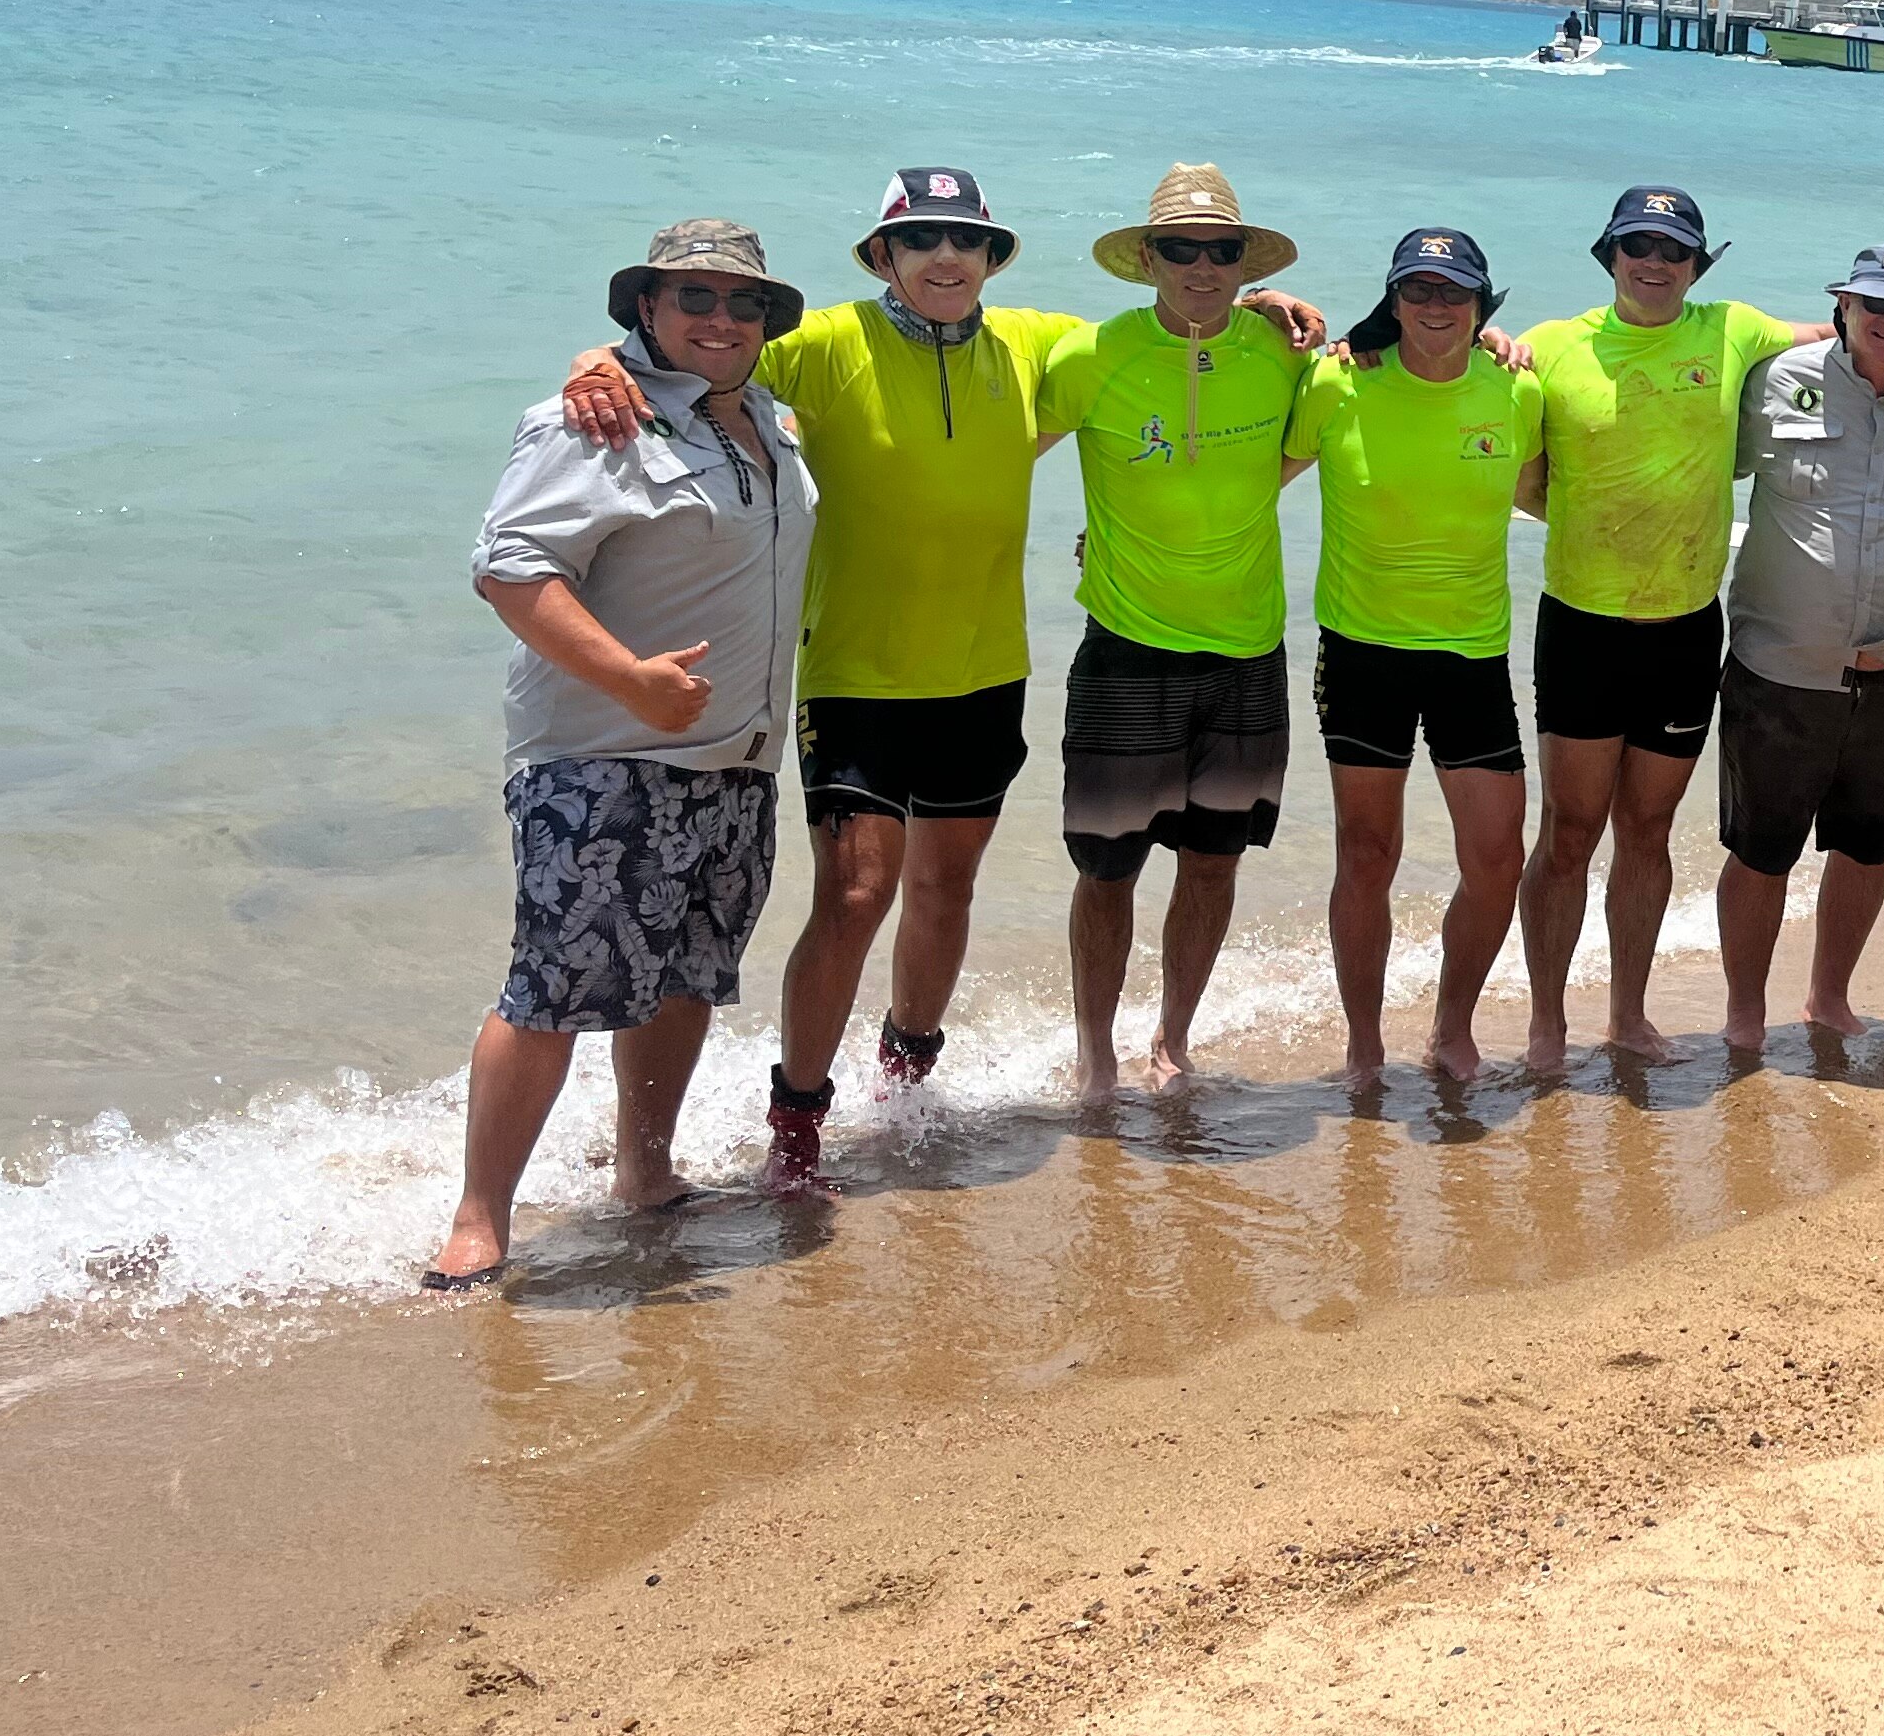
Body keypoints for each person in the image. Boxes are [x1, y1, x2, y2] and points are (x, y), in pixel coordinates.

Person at [551, 170, 1321, 1179]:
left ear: (993, 258)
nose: (946, 257)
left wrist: (1261, 305)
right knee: (857, 893)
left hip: (984, 669)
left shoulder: (1043, 344)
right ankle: (798, 1116)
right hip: (855, 673)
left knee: (946, 890)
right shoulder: (824, 343)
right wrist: (597, 361)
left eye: (967, 240)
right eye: (921, 240)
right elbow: (697, 353)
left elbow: (1174, 334)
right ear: (885, 256)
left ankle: (904, 1085)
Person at [426, 222, 816, 1288]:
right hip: (602, 755)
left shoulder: (769, 420)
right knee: (551, 988)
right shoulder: (591, 419)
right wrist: (628, 678)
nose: (722, 319)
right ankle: (479, 1218)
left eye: (744, 303)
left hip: (736, 759)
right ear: (647, 307)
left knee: (687, 977)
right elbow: (511, 569)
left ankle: (645, 1169)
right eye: (695, 297)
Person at [1037, 165, 1324, 1100]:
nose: (1203, 266)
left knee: (1214, 863)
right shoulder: (1092, 356)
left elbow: (1375, 382)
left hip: (1247, 651)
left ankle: (1173, 1040)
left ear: (1247, 261)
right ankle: (1095, 1053)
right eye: (1181, 248)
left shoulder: (1284, 352)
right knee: (1106, 870)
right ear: (1148, 258)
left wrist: (1493, 337)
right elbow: (986, 454)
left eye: (1222, 250)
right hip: (1126, 649)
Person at [1516, 187, 1815, 1065]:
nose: (1656, 263)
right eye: (1638, 245)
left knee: (1647, 831)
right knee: (1569, 832)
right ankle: (1546, 1020)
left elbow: (1848, 336)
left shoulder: (1734, 329)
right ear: (1609, 253)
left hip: (1685, 628)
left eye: (1675, 250)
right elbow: (1522, 477)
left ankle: (1628, 1016)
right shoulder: (1547, 347)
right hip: (1582, 625)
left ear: (1698, 265)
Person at [1713, 247, 1884, 1051]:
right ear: (1844, 309)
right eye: (1874, 305)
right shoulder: (1774, 381)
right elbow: (1692, 462)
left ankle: (1829, 998)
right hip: (1780, 666)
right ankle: (1744, 1012)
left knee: (1867, 847)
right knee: (1761, 850)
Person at [1298, 227, 1540, 1081]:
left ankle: (1450, 1026)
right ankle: (1364, 1041)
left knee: (1498, 859)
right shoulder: (1335, 383)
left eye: (1454, 292)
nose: (1436, 306)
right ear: (1393, 300)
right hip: (1361, 650)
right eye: (1419, 290)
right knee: (1367, 856)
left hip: (1471, 656)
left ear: (1480, 304)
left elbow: (1553, 491)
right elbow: (1242, 475)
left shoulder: (1517, 390)